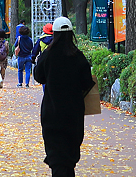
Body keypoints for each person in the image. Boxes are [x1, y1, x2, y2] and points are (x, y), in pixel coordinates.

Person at [34, 17, 94, 177]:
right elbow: (87, 82)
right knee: (69, 155)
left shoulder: (48, 55)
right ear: (71, 34)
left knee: (56, 156)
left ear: (55, 33)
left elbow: (38, 76)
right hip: (73, 114)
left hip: (52, 112)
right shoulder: (78, 56)